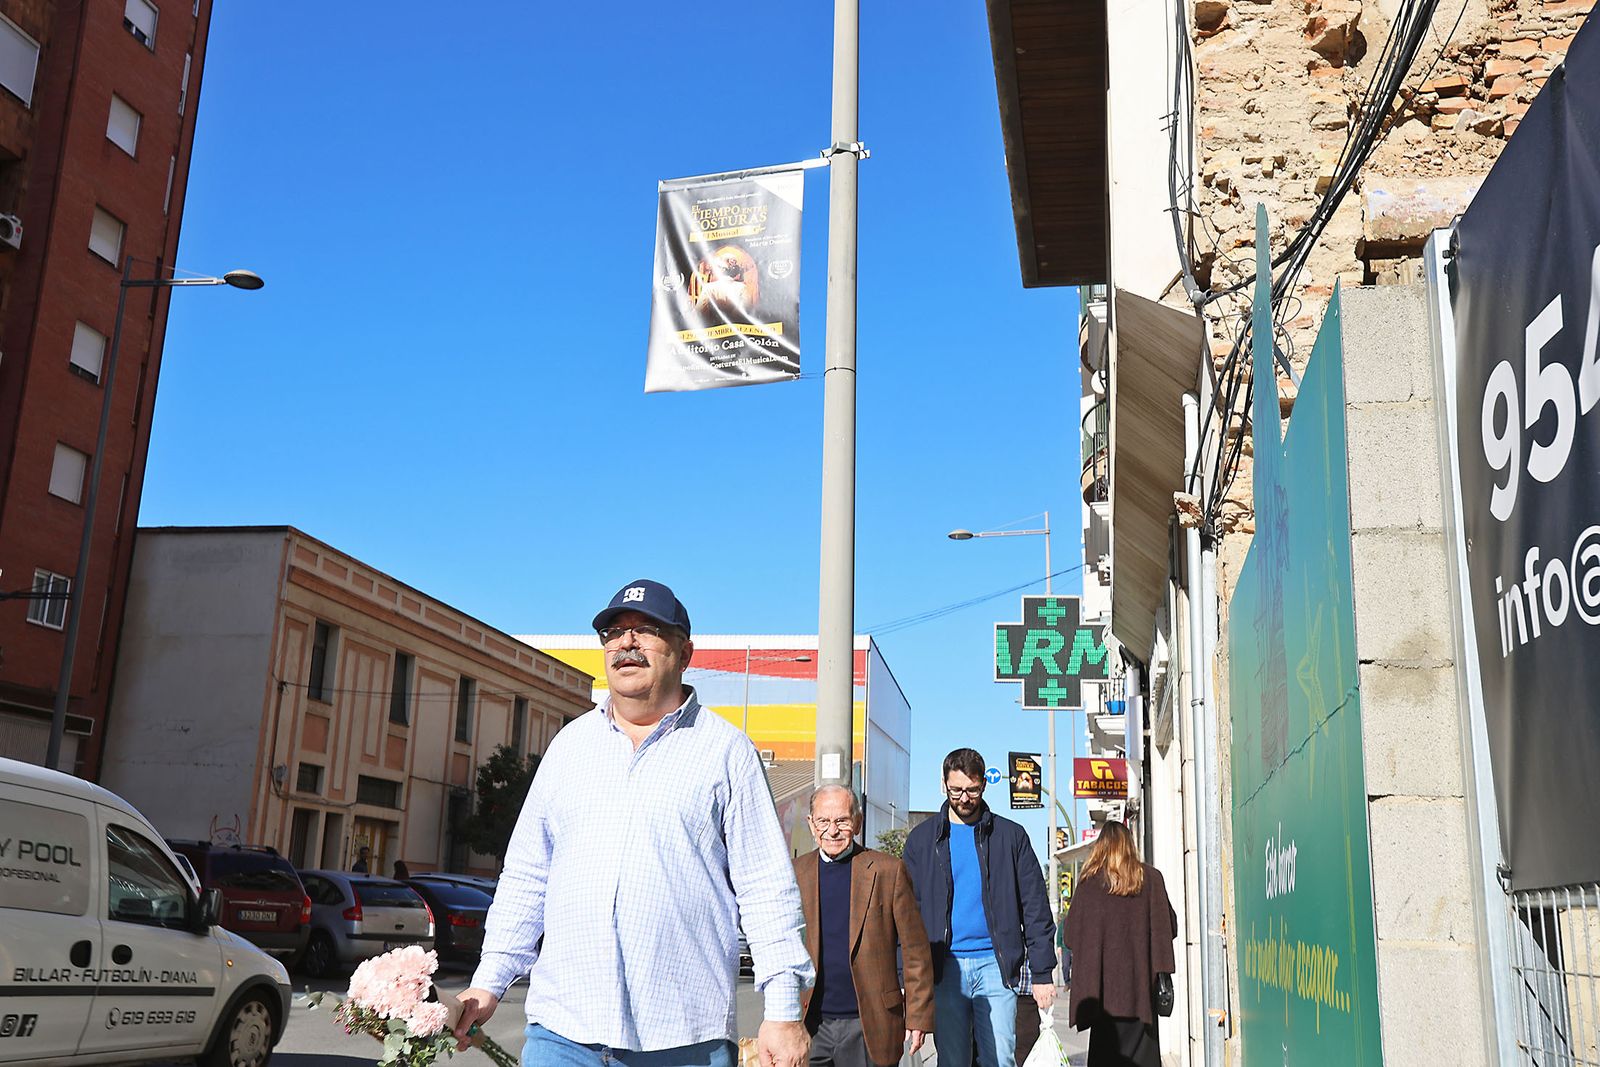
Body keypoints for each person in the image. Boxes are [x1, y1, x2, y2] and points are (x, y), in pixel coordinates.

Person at [453, 579, 814, 1067]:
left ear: (684, 652)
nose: (626, 642)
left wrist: (785, 1011)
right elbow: (527, 876)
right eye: (614, 633)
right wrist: (488, 983)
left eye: (646, 631)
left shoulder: (726, 753)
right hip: (562, 1035)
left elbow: (765, 887)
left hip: (683, 1040)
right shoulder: (569, 748)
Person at [902, 748, 1057, 1067]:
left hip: (996, 967)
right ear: (943, 784)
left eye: (972, 790)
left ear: (984, 785)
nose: (964, 797)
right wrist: (907, 979)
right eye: (956, 789)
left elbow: (1035, 907)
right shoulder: (921, 841)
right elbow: (906, 916)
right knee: (953, 1060)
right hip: (945, 969)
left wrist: (1042, 972)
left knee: (1000, 1058)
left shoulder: (1011, 837)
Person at [795, 785, 934, 1067]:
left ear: (857, 823)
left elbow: (915, 950)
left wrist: (918, 1016)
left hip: (869, 1023)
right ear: (811, 824)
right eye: (823, 821)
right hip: (809, 1024)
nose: (832, 830)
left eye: (842, 821)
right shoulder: (795, 873)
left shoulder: (888, 871)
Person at [1061, 821, 1176, 1067]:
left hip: (1102, 998)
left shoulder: (1088, 884)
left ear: (1100, 848)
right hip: (1141, 993)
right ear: (1130, 846)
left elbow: (1070, 936)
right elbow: (1170, 927)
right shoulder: (1151, 879)